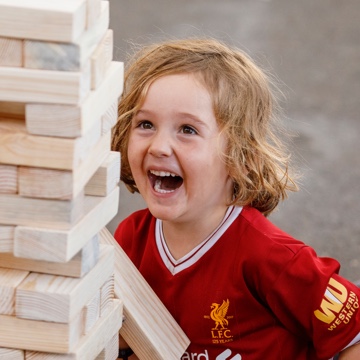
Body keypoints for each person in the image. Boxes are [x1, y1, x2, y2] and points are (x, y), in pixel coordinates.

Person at [111, 38, 360, 360]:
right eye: (146, 124)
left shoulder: (274, 258)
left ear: (240, 155)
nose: (159, 146)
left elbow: (353, 334)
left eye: (187, 130)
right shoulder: (130, 239)